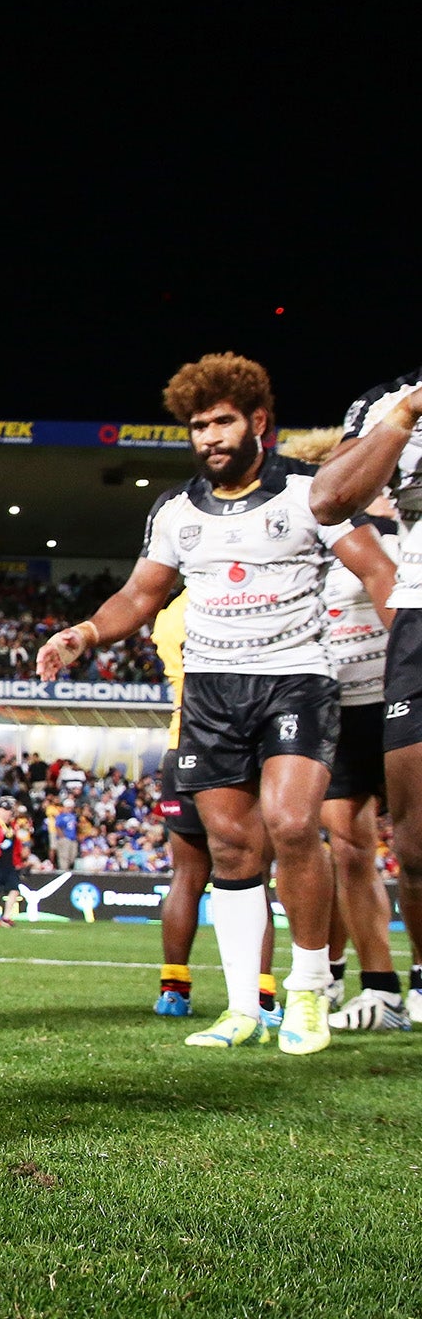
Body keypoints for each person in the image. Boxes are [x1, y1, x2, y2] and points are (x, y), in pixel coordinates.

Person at [39, 353, 395, 1055]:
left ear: (258, 421)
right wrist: (83, 633)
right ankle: (240, 1008)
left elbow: (377, 570)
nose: (209, 437)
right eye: (198, 426)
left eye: (222, 422)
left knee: (294, 826)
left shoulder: (311, 493)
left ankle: (307, 990)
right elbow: (142, 595)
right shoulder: (175, 511)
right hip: (211, 689)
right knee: (232, 849)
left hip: (296, 679)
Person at [310, 367, 422, 1023]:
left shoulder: (377, 529)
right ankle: (378, 987)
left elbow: (387, 587)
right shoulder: (315, 530)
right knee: (348, 843)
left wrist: (404, 656)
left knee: (412, 845)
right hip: (341, 701)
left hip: (392, 684)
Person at [150, 592, 277, 1026]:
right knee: (252, 875)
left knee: (186, 875)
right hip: (233, 745)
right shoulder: (235, 598)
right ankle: (260, 996)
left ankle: (173, 990)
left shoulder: (168, 616)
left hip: (179, 741)